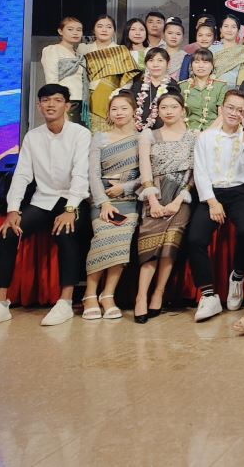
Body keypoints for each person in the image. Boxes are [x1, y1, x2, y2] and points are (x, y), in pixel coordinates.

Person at [0, 85, 92, 329]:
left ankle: (65, 302)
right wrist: (13, 210)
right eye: (45, 100)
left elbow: (80, 175)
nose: (51, 104)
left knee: (66, 231)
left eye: (57, 100)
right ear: (39, 105)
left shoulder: (80, 134)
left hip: (72, 199)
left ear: (67, 105)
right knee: (7, 233)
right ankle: (0, 305)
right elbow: (22, 175)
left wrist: (70, 210)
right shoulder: (33, 137)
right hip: (42, 200)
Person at [188, 90, 244, 322]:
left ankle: (237, 275)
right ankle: (209, 296)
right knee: (195, 239)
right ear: (221, 109)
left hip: (241, 191)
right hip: (212, 192)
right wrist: (212, 202)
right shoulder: (205, 137)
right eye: (230, 107)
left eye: (240, 110)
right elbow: (200, 172)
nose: (234, 113)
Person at [133, 93, 196, 323]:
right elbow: (145, 169)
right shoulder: (148, 135)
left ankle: (158, 293)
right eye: (163, 107)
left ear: (183, 110)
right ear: (157, 111)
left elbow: (194, 173)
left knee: (169, 247)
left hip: (181, 195)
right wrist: (153, 201)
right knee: (149, 248)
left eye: (174, 107)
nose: (168, 111)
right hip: (155, 193)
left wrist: (178, 201)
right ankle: (141, 296)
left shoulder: (194, 136)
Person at [80, 91, 141, 321]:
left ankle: (108, 295)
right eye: (114, 109)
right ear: (108, 113)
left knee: (121, 241)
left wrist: (124, 187)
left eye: (124, 108)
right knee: (102, 238)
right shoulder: (100, 138)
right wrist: (103, 202)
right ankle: (89, 295)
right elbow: (93, 174)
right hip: (102, 198)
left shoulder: (142, 138)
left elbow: (146, 175)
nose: (119, 113)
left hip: (129, 199)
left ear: (134, 111)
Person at [82, 14, 139, 132]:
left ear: (114, 31)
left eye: (109, 27)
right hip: (88, 99)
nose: (104, 30)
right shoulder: (84, 50)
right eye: (100, 26)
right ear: (93, 30)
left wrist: (116, 101)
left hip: (112, 99)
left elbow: (127, 79)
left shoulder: (121, 50)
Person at [41, 16, 86, 123]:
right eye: (70, 29)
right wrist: (57, 103)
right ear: (60, 31)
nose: (75, 33)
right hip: (66, 101)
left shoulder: (79, 54)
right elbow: (51, 79)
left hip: (82, 101)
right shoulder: (52, 50)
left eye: (79, 30)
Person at [129, 48, 181, 132]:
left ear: (168, 64)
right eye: (151, 60)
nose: (155, 64)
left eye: (160, 60)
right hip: (137, 131)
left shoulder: (173, 86)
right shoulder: (138, 85)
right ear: (146, 64)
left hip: (164, 131)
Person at [180, 49, 227, 132]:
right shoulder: (182, 86)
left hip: (213, 131)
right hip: (188, 131)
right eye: (196, 62)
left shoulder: (221, 86)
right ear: (191, 65)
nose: (200, 66)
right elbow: (179, 115)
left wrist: (206, 134)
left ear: (212, 66)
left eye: (205, 62)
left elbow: (222, 116)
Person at [213, 14, 244, 88]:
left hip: (236, 91)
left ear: (238, 31)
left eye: (233, 27)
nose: (229, 30)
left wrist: (238, 91)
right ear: (220, 29)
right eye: (226, 26)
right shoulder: (212, 49)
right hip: (213, 89)